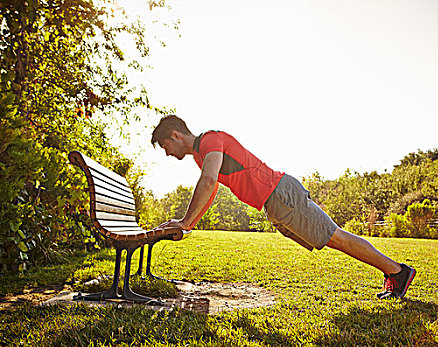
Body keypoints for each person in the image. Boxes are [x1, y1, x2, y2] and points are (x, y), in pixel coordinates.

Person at [151, 115, 416, 299]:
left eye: (165, 146)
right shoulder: (202, 155)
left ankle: (397, 271)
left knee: (336, 237)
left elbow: (208, 182)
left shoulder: (210, 140)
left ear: (175, 135)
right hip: (276, 202)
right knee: (333, 240)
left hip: (281, 195)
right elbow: (212, 190)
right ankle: (394, 273)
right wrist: (189, 226)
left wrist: (184, 222)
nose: (167, 153)